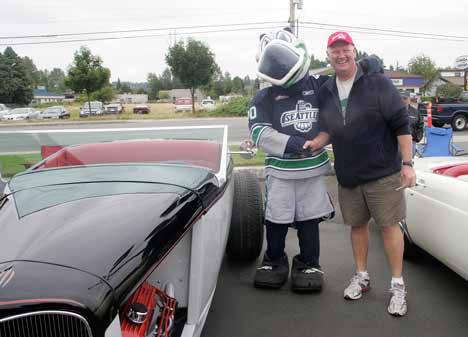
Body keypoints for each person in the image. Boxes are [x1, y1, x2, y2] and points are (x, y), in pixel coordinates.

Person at [249, 28, 382, 292]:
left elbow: (347, 86)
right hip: (280, 171)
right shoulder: (264, 96)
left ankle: (309, 262)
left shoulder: (319, 85)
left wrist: (366, 67)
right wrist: (293, 144)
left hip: (311, 171)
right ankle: (274, 259)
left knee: (309, 220)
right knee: (276, 218)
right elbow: (258, 131)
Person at [303, 31, 416, 316]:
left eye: (345, 50)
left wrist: (407, 164)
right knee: (357, 227)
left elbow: (401, 124)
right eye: (335, 51)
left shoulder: (376, 82)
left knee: (390, 227)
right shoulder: (327, 89)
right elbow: (331, 127)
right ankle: (362, 276)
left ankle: (398, 285)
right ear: (328, 56)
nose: (341, 55)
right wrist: (318, 141)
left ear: (354, 52)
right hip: (349, 175)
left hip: (383, 174)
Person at [402, 93, 424, 157]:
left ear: (409, 100)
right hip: (397, 142)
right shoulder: (394, 111)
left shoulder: (416, 112)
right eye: (402, 98)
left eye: (405, 98)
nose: (403, 100)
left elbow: (420, 126)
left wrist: (416, 138)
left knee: (410, 159)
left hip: (411, 141)